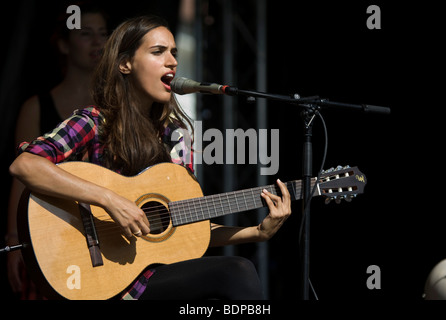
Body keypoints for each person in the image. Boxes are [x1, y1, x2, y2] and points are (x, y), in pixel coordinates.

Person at [9, 15, 291, 300]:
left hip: (154, 278)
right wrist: (109, 200)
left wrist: (255, 232)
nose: (172, 62)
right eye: (158, 52)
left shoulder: (176, 136)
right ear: (125, 64)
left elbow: (186, 225)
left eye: (174, 53)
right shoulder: (95, 122)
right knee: (237, 271)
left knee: (234, 274)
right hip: (109, 279)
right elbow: (25, 164)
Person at [5, 3, 109, 298]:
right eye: (86, 33)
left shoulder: (116, 108)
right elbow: (21, 175)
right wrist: (15, 239)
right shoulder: (36, 107)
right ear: (63, 44)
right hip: (51, 230)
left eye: (103, 34)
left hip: (107, 234)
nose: (98, 42)